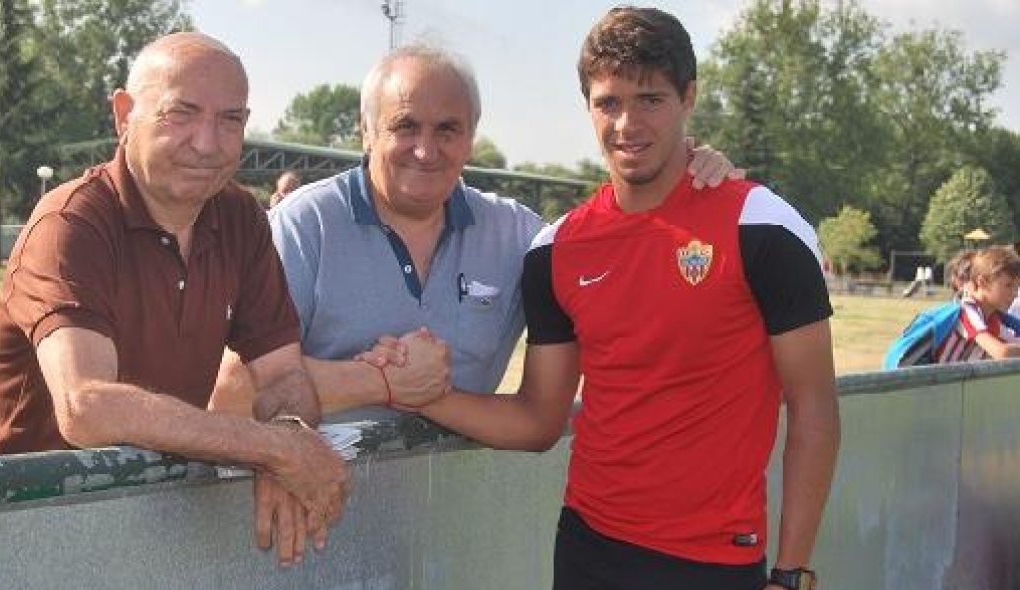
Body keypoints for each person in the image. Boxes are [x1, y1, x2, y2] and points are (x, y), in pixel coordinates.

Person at [405, 8, 840, 590]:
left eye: (651, 99)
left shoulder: (762, 228)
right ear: (588, 106)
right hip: (591, 562)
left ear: (689, 99)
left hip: (717, 573)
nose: (628, 124)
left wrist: (790, 579)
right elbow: (539, 418)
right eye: (608, 102)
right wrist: (418, 393)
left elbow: (815, 410)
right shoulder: (556, 250)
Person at [0, 32, 349, 565]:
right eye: (181, 113)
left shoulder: (238, 219)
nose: (208, 143)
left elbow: (284, 375)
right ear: (124, 114)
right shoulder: (71, 223)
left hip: (141, 530)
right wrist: (274, 450)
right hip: (19, 533)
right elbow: (87, 407)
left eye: (230, 120)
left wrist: (289, 434)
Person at [210, 44, 740, 424]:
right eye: (405, 126)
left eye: (447, 129)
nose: (426, 149)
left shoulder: (516, 236)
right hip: (301, 526)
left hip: (445, 527)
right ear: (366, 131)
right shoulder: (304, 226)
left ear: (470, 139)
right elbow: (230, 393)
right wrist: (384, 382)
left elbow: (621, 260)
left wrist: (684, 177)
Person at [932, 245, 1020, 362]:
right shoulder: (967, 311)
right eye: (1008, 285)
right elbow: (1001, 352)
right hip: (939, 379)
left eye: (1017, 287)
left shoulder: (992, 316)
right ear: (982, 282)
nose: (1015, 293)